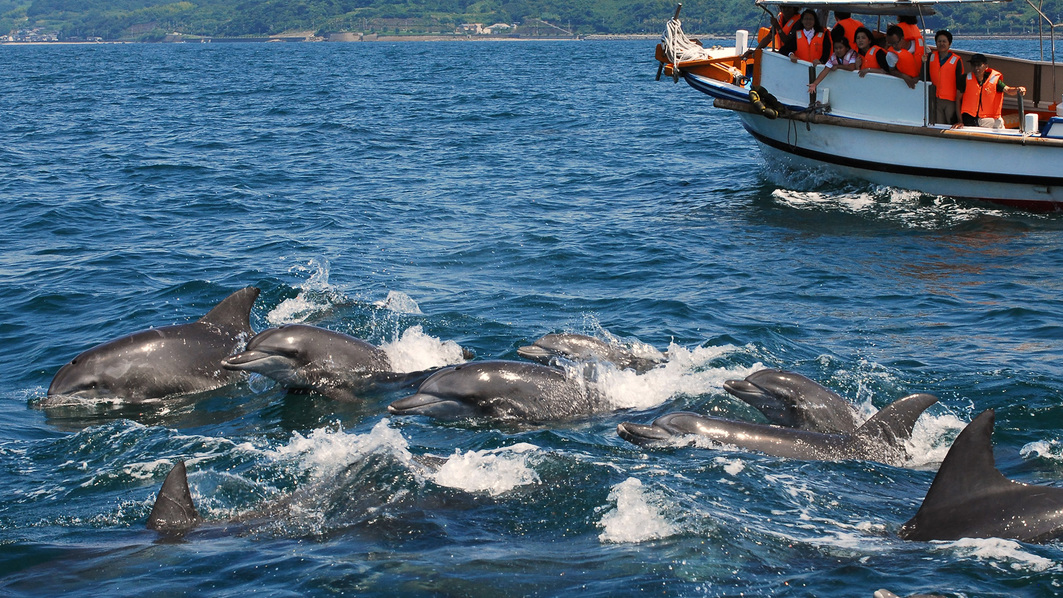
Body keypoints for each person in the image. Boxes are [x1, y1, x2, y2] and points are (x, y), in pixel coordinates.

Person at [953, 53, 1026, 129]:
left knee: (999, 122)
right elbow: (958, 99)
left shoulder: (994, 80)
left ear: (986, 66)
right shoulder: (965, 79)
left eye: (979, 65)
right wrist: (960, 121)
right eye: (973, 65)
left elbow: (1008, 90)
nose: (976, 68)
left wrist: (1018, 89)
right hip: (970, 119)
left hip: (987, 118)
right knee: (999, 123)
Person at [927, 30, 965, 125]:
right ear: (936, 43)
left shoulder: (956, 60)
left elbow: (960, 81)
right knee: (937, 124)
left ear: (949, 44)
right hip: (936, 99)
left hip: (951, 100)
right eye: (939, 41)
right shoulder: (930, 57)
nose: (941, 44)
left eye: (944, 41)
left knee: (950, 123)